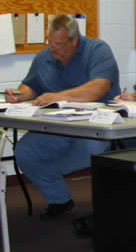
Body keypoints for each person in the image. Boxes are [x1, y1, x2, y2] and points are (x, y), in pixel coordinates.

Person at [4, 15, 120, 220]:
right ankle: (60, 200)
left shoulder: (97, 50)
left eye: (58, 44)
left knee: (91, 153)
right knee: (25, 152)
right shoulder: (44, 57)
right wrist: (20, 95)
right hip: (57, 125)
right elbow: (31, 86)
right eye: (49, 42)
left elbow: (98, 88)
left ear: (74, 41)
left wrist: (56, 96)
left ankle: (108, 208)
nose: (52, 48)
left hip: (94, 125)